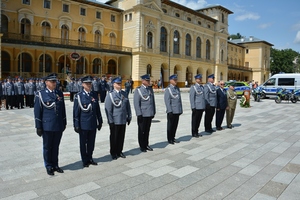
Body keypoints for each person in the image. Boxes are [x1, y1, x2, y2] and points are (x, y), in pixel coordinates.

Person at [34, 73, 66, 176]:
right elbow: (37, 111)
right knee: (47, 147)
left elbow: (63, 110)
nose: (54, 83)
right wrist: (38, 126)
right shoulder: (41, 94)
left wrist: (64, 122)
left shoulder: (59, 93)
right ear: (46, 82)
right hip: (47, 126)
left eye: (55, 81)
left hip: (58, 125)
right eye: (52, 81)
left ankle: (55, 164)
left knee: (56, 146)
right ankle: (48, 166)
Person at [73, 75, 103, 168]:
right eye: (87, 83)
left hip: (93, 123)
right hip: (83, 123)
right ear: (82, 84)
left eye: (90, 83)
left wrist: (100, 120)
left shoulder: (94, 94)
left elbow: (97, 109)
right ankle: (84, 160)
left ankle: (90, 157)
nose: (89, 85)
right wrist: (76, 124)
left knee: (91, 142)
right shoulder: (79, 96)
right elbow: (76, 112)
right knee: (83, 143)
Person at [105, 77, 131, 160]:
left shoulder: (124, 94)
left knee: (121, 136)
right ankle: (113, 152)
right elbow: (108, 109)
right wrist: (110, 121)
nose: (120, 85)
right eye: (118, 84)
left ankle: (119, 151)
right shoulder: (110, 95)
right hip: (115, 120)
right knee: (114, 137)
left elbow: (128, 106)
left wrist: (129, 116)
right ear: (114, 84)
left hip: (123, 119)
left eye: (120, 83)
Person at [133, 74, 156, 152]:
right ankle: (142, 145)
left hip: (149, 113)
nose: (149, 81)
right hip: (142, 114)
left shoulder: (150, 89)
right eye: (147, 80)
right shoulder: (138, 90)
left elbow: (152, 102)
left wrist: (153, 112)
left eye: (149, 80)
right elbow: (136, 103)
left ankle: (146, 144)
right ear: (143, 81)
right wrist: (138, 113)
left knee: (147, 130)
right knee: (141, 130)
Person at [164, 74, 183, 144]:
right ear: (170, 81)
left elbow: (179, 100)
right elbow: (167, 101)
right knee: (170, 126)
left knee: (175, 125)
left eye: (176, 80)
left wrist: (180, 109)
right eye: (174, 80)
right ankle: (169, 139)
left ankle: (173, 137)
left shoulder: (177, 88)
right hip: (171, 111)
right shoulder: (168, 89)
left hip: (177, 110)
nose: (176, 81)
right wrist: (169, 110)